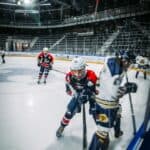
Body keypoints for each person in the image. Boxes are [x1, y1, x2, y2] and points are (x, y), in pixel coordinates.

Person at [89, 51, 138, 150]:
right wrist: (126, 89)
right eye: (130, 63)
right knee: (102, 132)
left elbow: (110, 87)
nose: (129, 66)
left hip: (101, 101)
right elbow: (114, 93)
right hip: (105, 106)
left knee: (118, 110)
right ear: (125, 60)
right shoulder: (116, 69)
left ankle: (116, 131)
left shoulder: (113, 63)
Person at [56, 57, 98, 137]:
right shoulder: (69, 77)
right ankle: (62, 126)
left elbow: (95, 88)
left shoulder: (91, 74)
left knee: (95, 112)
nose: (77, 74)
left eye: (80, 71)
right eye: (74, 71)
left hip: (91, 95)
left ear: (84, 68)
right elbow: (68, 90)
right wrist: (74, 94)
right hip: (78, 94)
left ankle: (101, 130)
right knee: (69, 111)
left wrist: (88, 91)